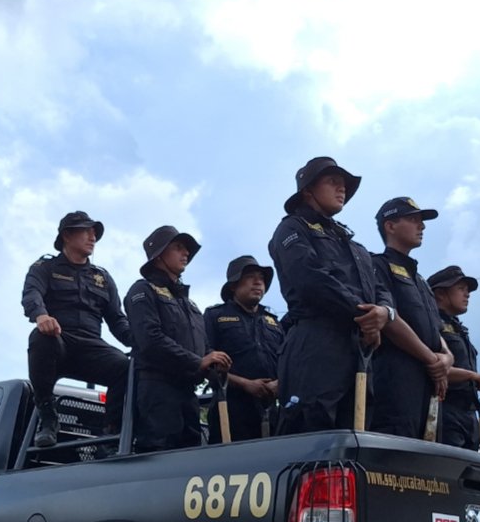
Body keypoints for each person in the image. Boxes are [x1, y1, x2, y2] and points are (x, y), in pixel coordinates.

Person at [267, 156, 393, 434]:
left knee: (355, 432)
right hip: (315, 343)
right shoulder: (292, 229)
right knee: (311, 429)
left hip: (358, 347)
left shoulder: (354, 246)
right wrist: (365, 316)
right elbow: (310, 279)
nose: (342, 189)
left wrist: (384, 313)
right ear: (308, 190)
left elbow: (380, 288)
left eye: (345, 184)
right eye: (333, 181)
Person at [21, 211, 132, 448]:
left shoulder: (102, 277)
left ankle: (111, 433)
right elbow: (32, 294)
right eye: (86, 231)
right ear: (67, 235)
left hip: (92, 346)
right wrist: (41, 316)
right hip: (58, 341)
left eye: (95, 233)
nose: (93, 237)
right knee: (41, 337)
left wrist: (143, 340)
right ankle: (48, 417)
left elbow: (117, 321)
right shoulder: (45, 267)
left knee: (126, 365)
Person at [124, 226, 231, 451]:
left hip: (187, 391)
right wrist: (197, 361)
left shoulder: (189, 303)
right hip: (157, 390)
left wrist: (211, 360)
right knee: (159, 457)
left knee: (190, 458)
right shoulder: (142, 291)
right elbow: (150, 340)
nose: (186, 254)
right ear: (159, 254)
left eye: (187, 249)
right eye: (178, 247)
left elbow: (200, 344)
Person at [368, 197, 453, 439]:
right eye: (413, 219)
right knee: (397, 458)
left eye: (421, 221)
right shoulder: (377, 266)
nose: (421, 226)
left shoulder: (421, 281)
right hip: (396, 382)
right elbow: (390, 319)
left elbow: (434, 329)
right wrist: (431, 360)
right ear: (390, 225)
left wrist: (447, 357)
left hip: (429, 384)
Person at [203, 255, 284, 442]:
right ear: (233, 285)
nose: (258, 282)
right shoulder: (215, 316)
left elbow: (289, 362)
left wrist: (280, 383)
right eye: (250, 277)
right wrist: (246, 384)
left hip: (271, 411)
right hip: (230, 409)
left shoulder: (274, 322)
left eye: (262, 278)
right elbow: (205, 363)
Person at [427, 264, 480, 451]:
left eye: (467, 290)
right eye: (461, 289)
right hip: (445, 411)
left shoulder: (459, 328)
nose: (467, 294)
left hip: (469, 413)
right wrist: (473, 376)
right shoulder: (431, 326)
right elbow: (433, 366)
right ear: (440, 293)